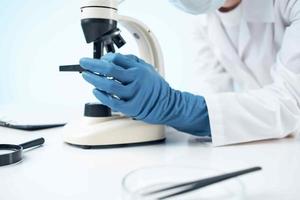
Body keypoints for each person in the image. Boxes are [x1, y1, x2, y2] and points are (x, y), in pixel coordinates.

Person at [79, 0, 300, 146]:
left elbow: (290, 103)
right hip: (271, 147)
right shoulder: (203, 21)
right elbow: (217, 100)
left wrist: (176, 107)